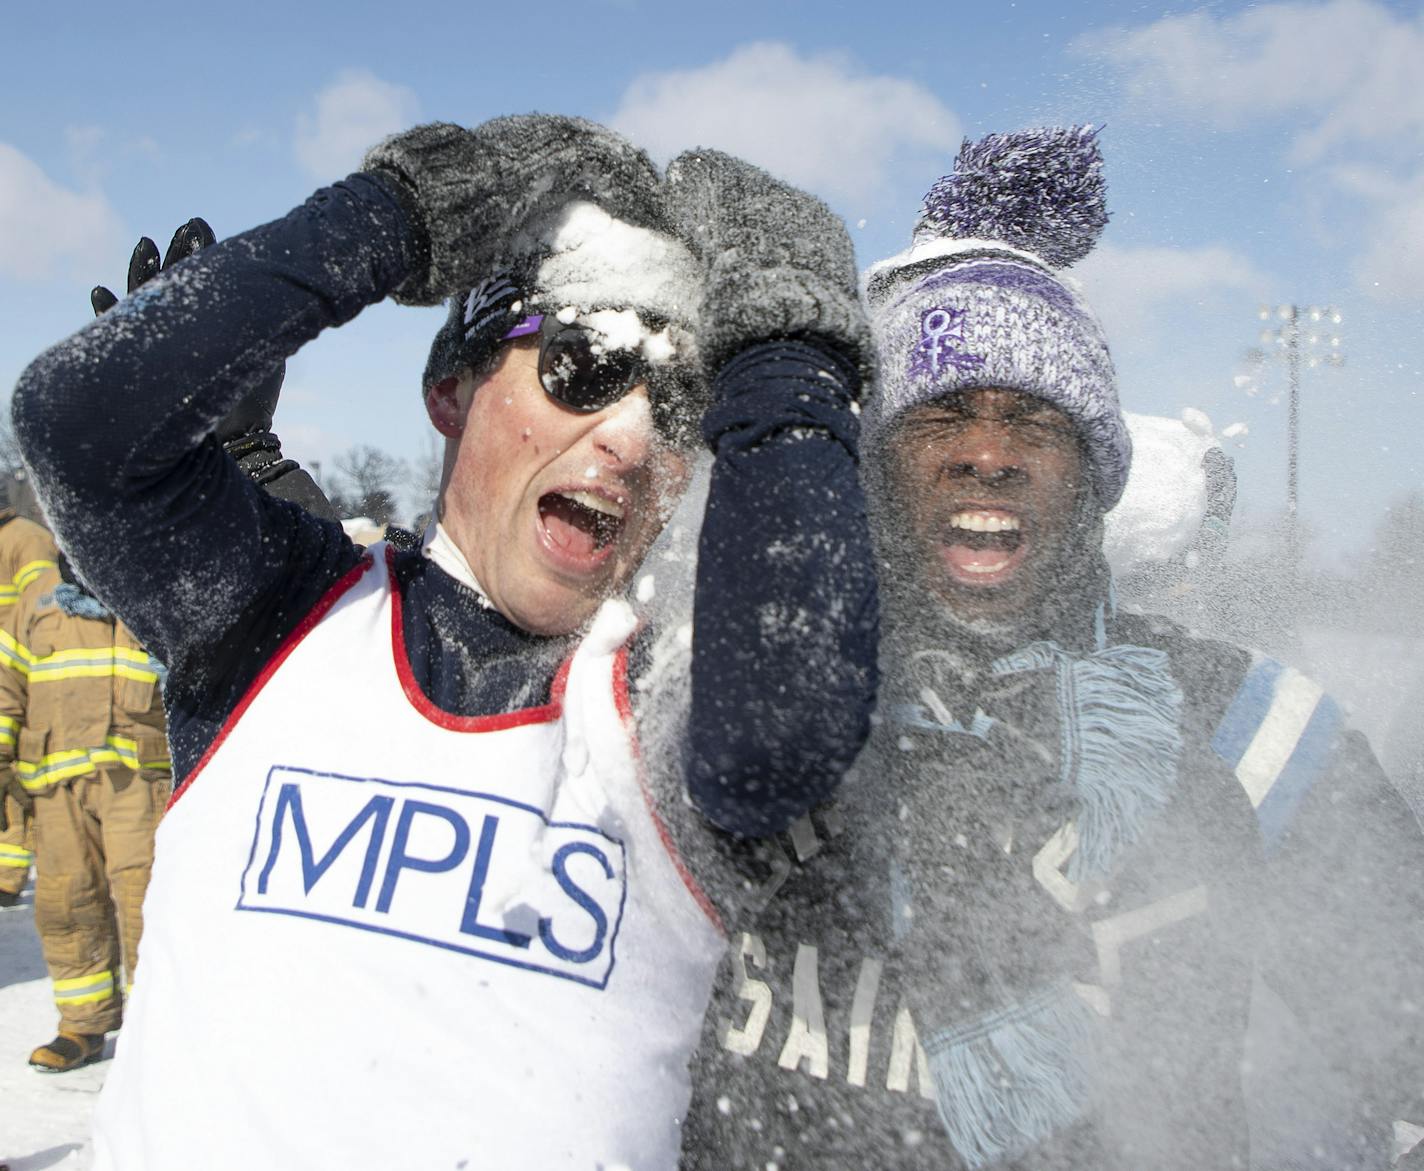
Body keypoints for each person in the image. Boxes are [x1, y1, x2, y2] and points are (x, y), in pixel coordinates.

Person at [12, 116, 878, 1168]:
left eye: (685, 404)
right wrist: (412, 209)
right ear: (450, 390)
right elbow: (76, 425)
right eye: (586, 362)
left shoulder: (671, 698)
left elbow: (779, 737)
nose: (632, 437)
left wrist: (789, 342)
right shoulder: (285, 613)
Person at [680, 128, 1424, 1170]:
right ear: (873, 465)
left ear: (1092, 476)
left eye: (1035, 420)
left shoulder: (1244, 729)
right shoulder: (738, 695)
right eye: (941, 414)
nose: (987, 451)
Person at [0, 552, 170, 1072]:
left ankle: (157, 1029)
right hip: (54, 784)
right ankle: (82, 1025)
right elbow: (6, 682)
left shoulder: (154, 594)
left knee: (149, 905)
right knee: (66, 904)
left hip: (139, 781)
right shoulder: (40, 600)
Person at [0, 485, 58, 906]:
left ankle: (9, 874)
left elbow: (43, 609)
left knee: (14, 778)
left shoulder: (26, 539)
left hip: (13, 673)